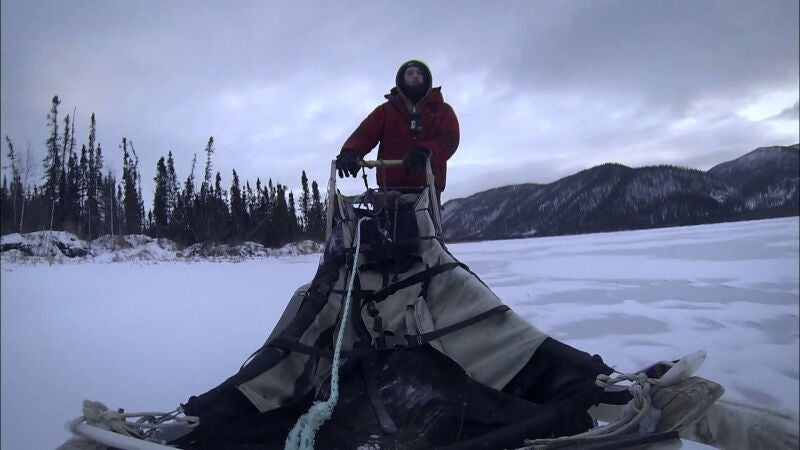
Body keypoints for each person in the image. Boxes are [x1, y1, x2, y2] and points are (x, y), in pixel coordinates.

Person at [335, 60, 459, 200]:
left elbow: (449, 139)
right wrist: (351, 151)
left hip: (428, 185)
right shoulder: (386, 111)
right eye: (410, 73)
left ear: (426, 79)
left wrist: (426, 151)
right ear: (401, 79)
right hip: (389, 186)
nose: (415, 76)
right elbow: (366, 133)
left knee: (424, 221)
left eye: (419, 73)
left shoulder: (441, 110)